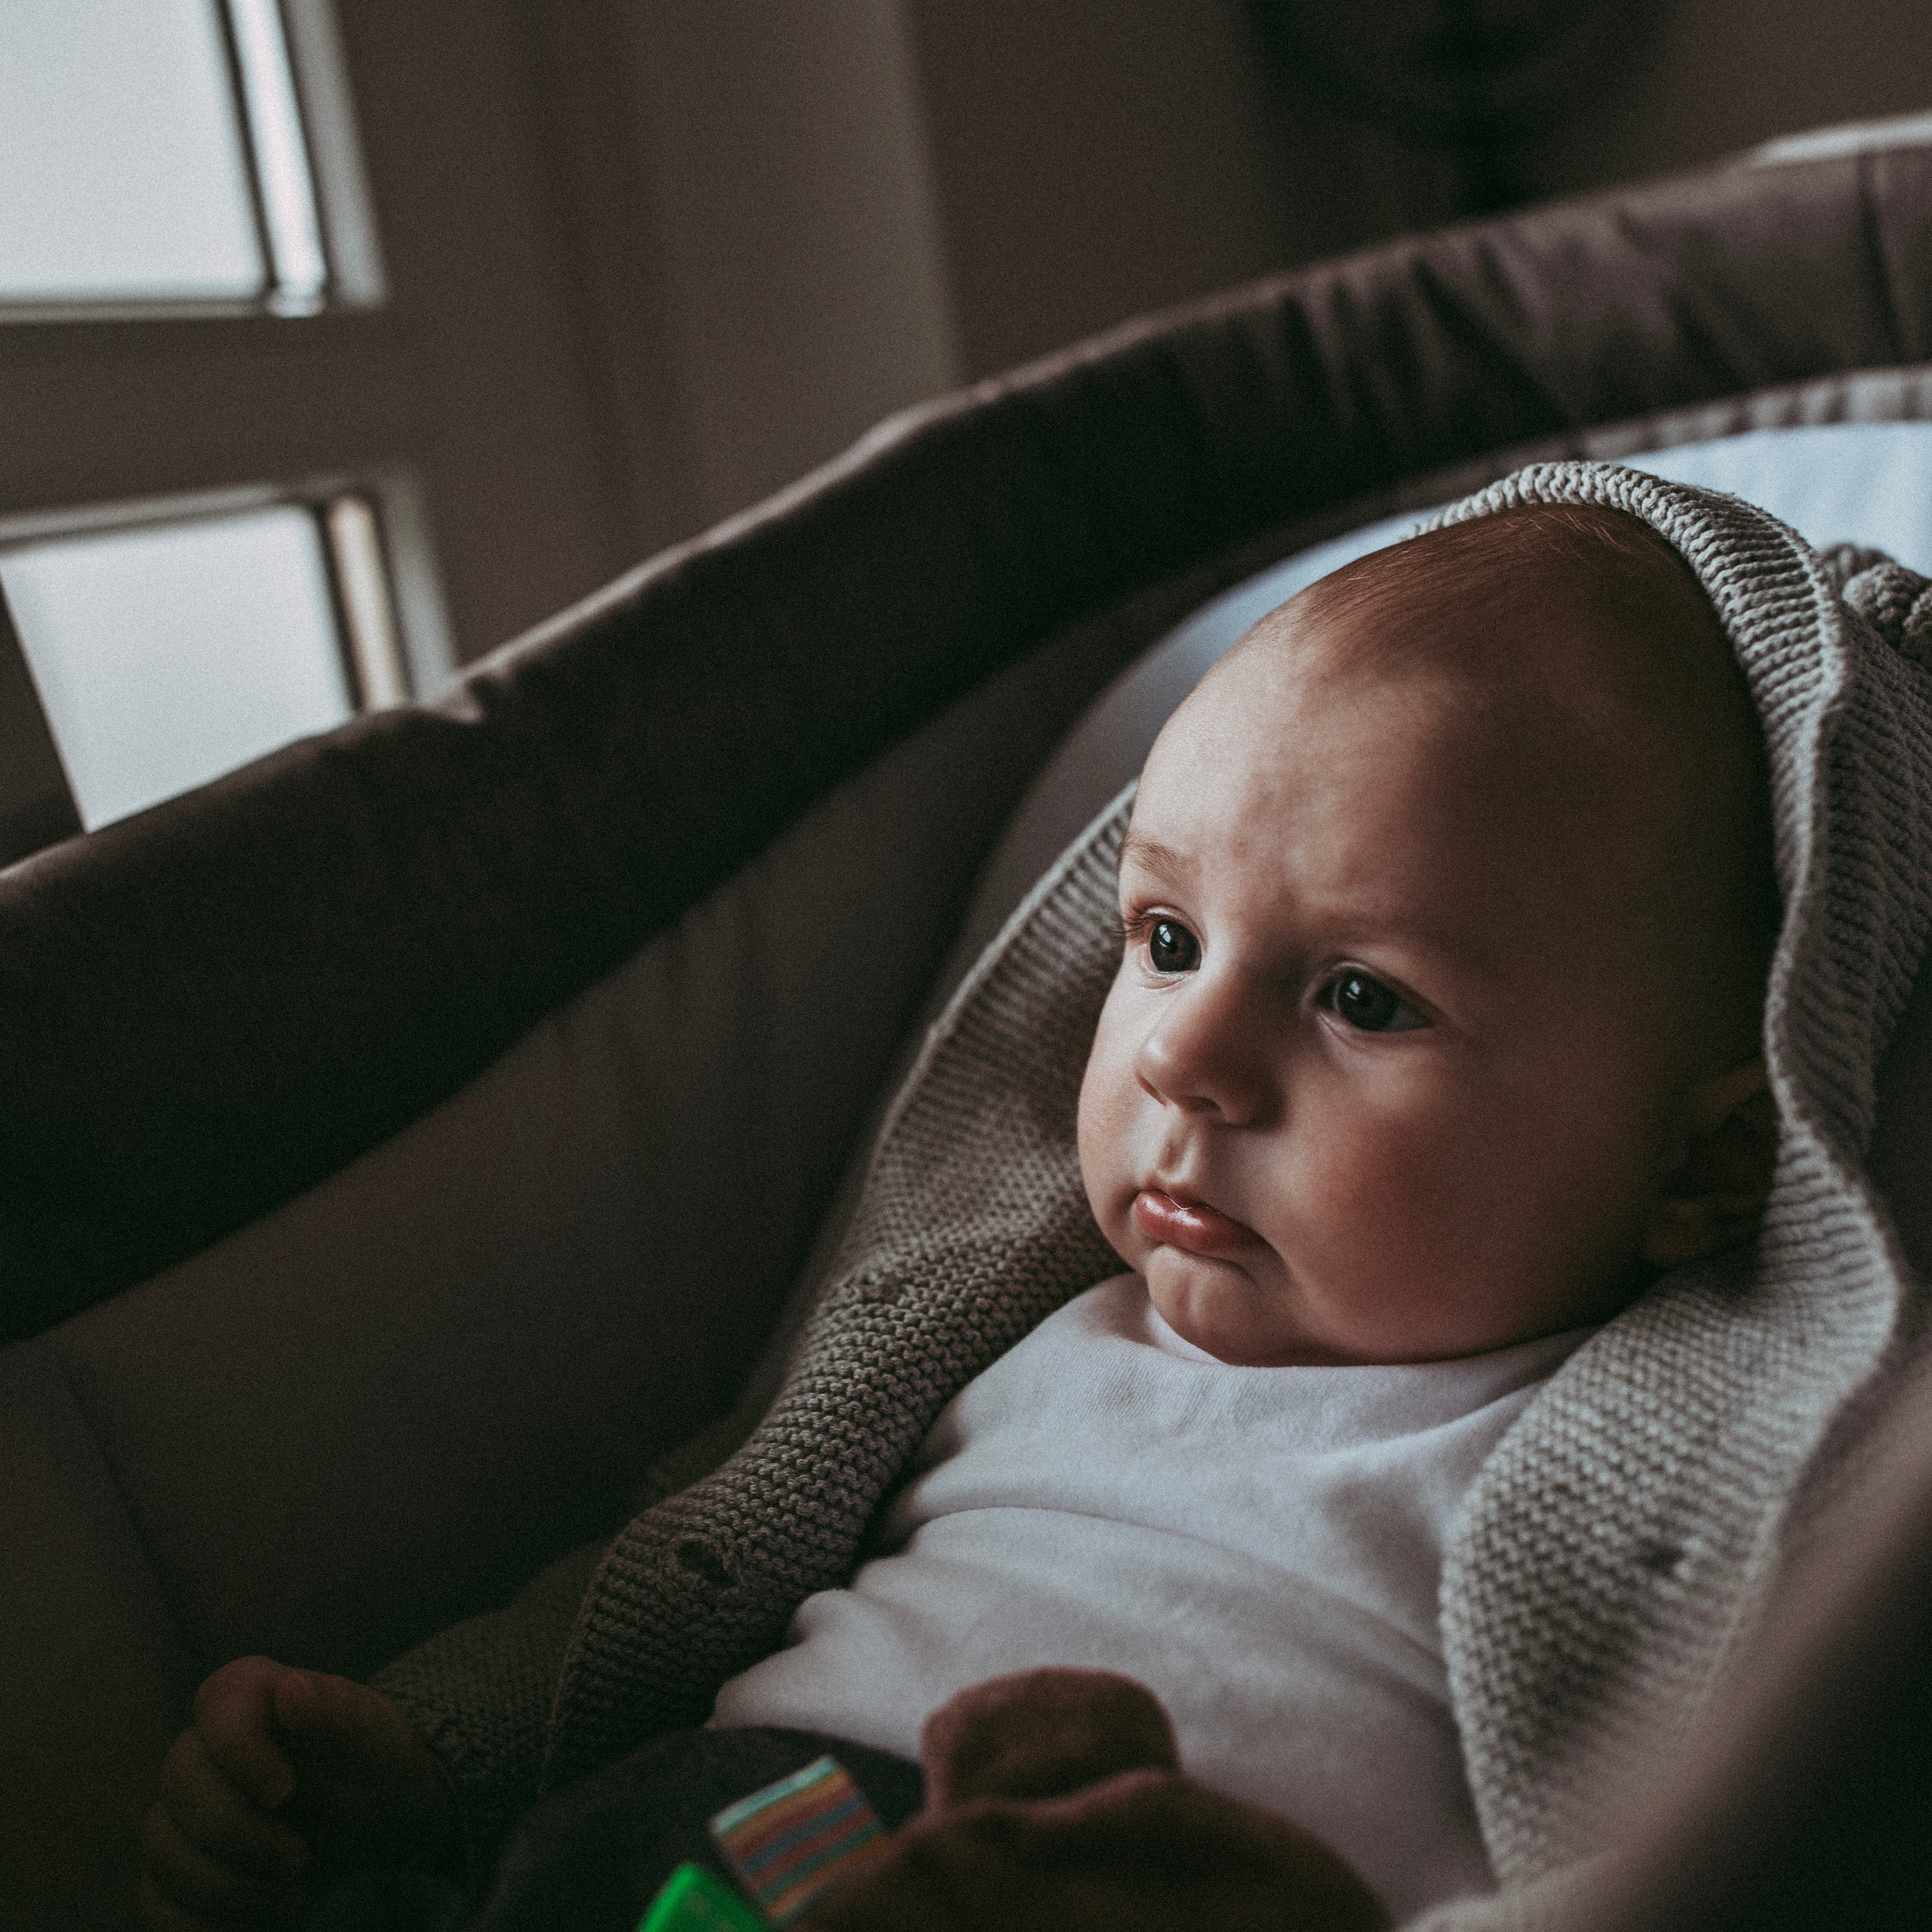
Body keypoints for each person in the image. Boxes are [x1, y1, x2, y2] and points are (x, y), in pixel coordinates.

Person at [139, 480, 1866, 1931]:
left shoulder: (1692, 1461)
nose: (1184, 1053)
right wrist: (421, 1751)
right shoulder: (1013, 1317)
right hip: (740, 1845)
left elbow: (1713, 1850)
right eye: (1166, 941)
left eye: (1360, 997)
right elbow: (665, 1592)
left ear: (1701, 1162)